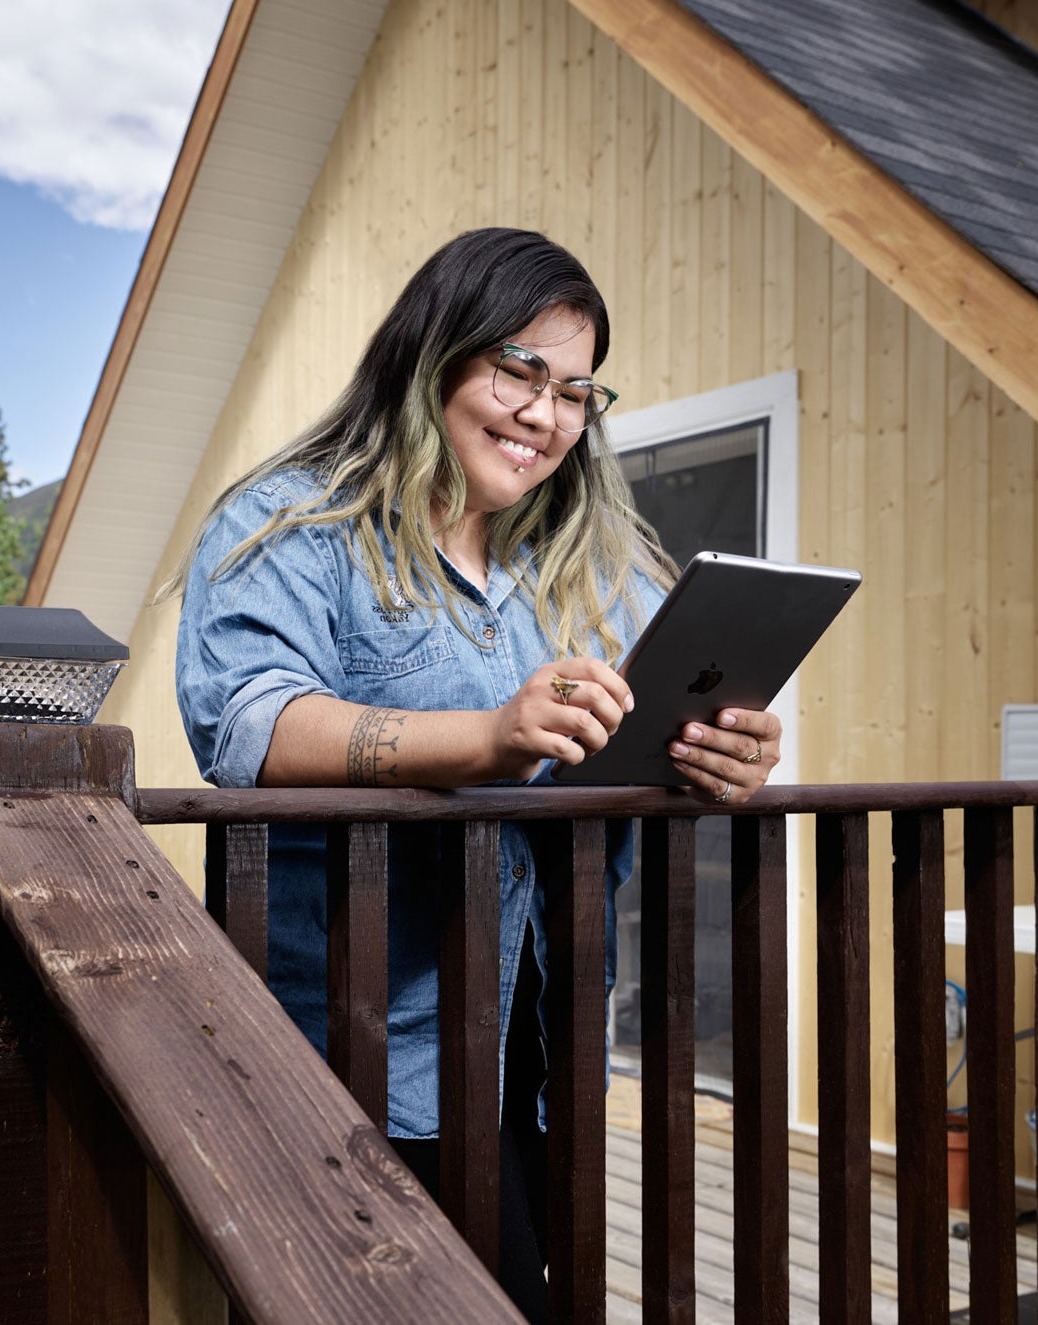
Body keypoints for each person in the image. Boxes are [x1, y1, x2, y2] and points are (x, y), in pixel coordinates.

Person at [170, 227, 782, 1319]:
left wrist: (721, 755)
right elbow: (249, 728)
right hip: (359, 1043)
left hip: (545, 1049)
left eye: (575, 393)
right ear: (432, 358)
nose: (543, 416)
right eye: (517, 371)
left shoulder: (593, 560)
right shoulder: (291, 525)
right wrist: (487, 736)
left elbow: (661, 717)